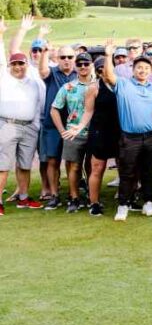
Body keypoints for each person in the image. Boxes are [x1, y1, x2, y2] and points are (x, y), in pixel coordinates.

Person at [101, 40, 152, 222]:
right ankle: (123, 205)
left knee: (147, 172)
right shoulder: (123, 84)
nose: (142, 71)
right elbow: (109, 76)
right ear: (133, 70)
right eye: (139, 68)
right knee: (127, 173)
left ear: (150, 71)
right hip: (129, 138)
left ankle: (148, 203)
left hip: (150, 136)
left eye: (146, 68)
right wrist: (107, 55)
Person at [0, 18, 45, 212]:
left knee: (25, 164)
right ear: (10, 65)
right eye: (15, 64)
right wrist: (2, 34)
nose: (18, 66)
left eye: (21, 63)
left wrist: (34, 126)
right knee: (3, 166)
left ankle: (24, 198)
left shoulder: (33, 79)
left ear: (26, 64)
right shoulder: (4, 77)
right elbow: (3, 54)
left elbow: (37, 105)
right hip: (8, 125)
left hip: (29, 127)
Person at [35, 25, 78, 207]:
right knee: (52, 160)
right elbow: (42, 70)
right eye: (63, 57)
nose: (67, 60)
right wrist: (44, 50)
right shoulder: (52, 73)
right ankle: (54, 195)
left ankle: (73, 195)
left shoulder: (80, 73)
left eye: (70, 57)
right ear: (57, 59)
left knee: (72, 162)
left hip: (74, 125)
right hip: (52, 125)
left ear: (74, 58)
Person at [49, 52, 95, 212]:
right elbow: (54, 109)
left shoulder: (98, 85)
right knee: (73, 167)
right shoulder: (68, 87)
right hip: (73, 133)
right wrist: (62, 130)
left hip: (94, 133)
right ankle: (74, 197)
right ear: (76, 66)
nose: (83, 67)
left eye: (86, 64)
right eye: (80, 64)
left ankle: (92, 196)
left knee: (92, 167)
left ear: (91, 65)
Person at [80, 57, 120, 216]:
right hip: (100, 132)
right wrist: (80, 126)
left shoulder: (121, 85)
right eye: (101, 68)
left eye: (108, 67)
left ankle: (126, 200)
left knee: (124, 168)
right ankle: (94, 203)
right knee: (97, 168)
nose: (105, 70)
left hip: (119, 131)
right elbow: (88, 111)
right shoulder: (93, 88)